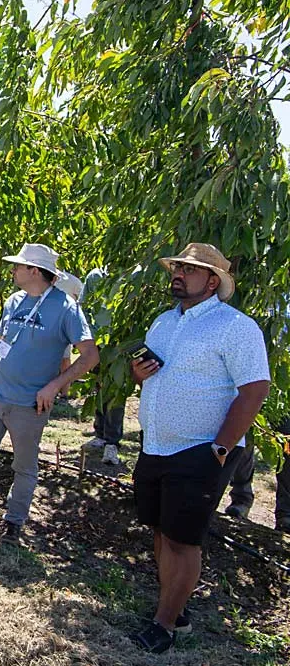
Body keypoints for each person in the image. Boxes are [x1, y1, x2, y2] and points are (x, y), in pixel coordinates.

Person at [129, 243, 270, 653]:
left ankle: (165, 624)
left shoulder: (235, 326)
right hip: (156, 444)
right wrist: (140, 375)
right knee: (160, 530)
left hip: (202, 449)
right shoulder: (163, 322)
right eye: (176, 267)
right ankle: (174, 606)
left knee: (182, 540)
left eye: (189, 270)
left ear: (213, 282)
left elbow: (255, 390)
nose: (178, 273)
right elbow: (153, 378)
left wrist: (222, 448)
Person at [0, 243, 98, 543]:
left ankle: (13, 522)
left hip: (29, 405)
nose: (13, 270)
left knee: (24, 466)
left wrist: (55, 385)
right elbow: (0, 341)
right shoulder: (14, 301)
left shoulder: (66, 308)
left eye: (18, 266)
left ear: (34, 271)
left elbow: (90, 356)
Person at [80, 267, 126, 466]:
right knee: (98, 388)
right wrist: (89, 338)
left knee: (116, 391)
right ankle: (100, 432)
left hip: (119, 344)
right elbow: (83, 306)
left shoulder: (133, 274)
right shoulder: (95, 276)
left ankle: (112, 441)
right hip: (97, 343)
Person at [54, 271, 83, 397]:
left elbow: (83, 300)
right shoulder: (40, 279)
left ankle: (64, 393)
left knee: (64, 360)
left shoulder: (73, 281)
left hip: (63, 326)